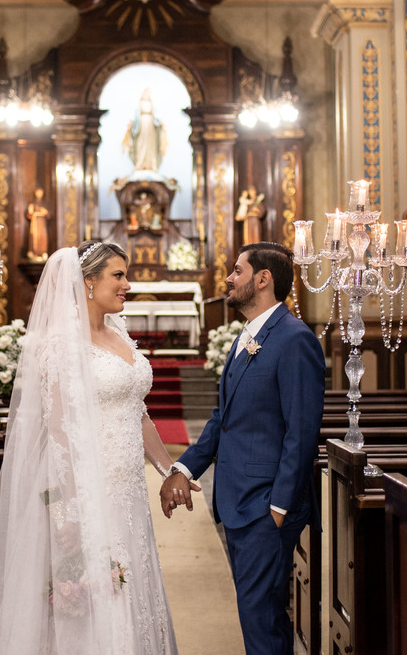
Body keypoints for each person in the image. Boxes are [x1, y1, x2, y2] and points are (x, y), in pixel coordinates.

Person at [0, 241, 180, 655]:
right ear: (88, 282)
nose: (128, 285)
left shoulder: (119, 334)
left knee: (132, 585)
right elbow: (57, 435)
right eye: (118, 275)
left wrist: (169, 469)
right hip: (87, 492)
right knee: (94, 604)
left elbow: (138, 415)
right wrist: (66, 514)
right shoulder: (60, 347)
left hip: (128, 493)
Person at [160, 242, 325, 655]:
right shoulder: (247, 336)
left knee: (260, 619)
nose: (229, 279)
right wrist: (184, 468)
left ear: (263, 279)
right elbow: (224, 419)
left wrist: (278, 509)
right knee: (261, 616)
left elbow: (301, 432)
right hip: (238, 502)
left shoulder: (294, 339)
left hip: (265, 506)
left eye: (237, 270)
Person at [122, 87, 167, 174]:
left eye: (148, 93)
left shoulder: (152, 105)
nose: (147, 95)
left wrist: (162, 123)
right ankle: (140, 164)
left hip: (150, 126)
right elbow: (134, 116)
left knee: (151, 144)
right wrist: (130, 123)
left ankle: (151, 164)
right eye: (145, 93)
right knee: (140, 144)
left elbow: (157, 116)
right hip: (141, 126)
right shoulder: (138, 104)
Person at [25, 187, 51, 262]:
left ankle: (43, 252)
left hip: (42, 223)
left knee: (43, 237)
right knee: (35, 236)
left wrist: (45, 212)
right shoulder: (32, 203)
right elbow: (29, 214)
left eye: (40, 192)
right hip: (35, 222)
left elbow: (48, 215)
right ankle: (34, 253)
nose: (39, 194)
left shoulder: (44, 204)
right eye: (38, 192)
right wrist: (34, 212)